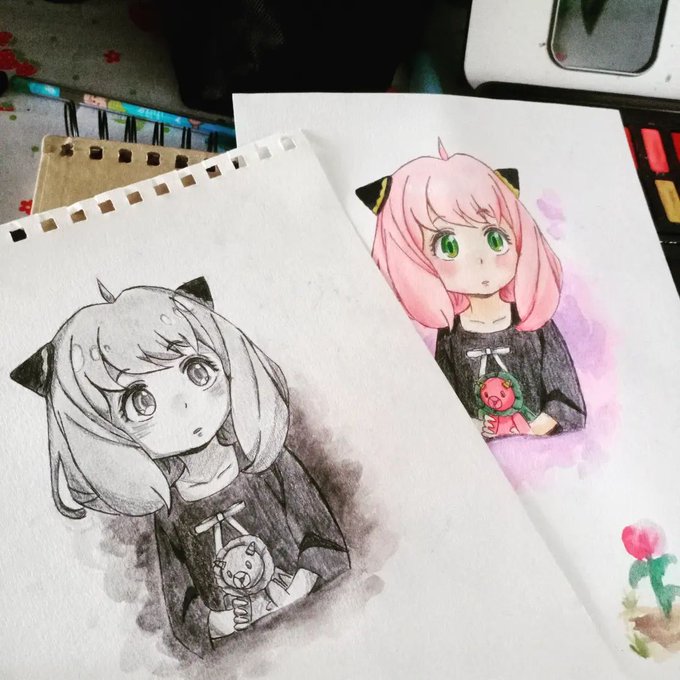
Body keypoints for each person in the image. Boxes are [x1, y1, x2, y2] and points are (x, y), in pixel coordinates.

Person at [11, 277, 349, 656]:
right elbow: (181, 599)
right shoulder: (170, 511)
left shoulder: (267, 465)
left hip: (326, 624)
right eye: (140, 401)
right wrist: (215, 622)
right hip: (248, 655)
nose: (183, 405)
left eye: (197, 370)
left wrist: (306, 578)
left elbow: (325, 537)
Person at [356, 143, 585, 437]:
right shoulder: (451, 336)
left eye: (495, 239)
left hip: (543, 454)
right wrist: (475, 428)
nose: (479, 260)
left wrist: (533, 427)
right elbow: (445, 406)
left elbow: (568, 403)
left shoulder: (536, 327)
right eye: (448, 246)